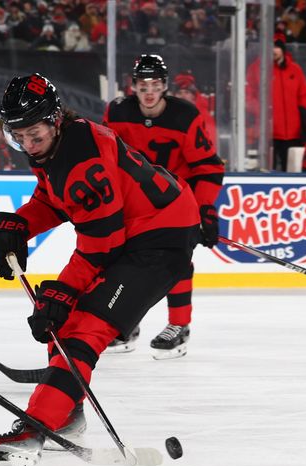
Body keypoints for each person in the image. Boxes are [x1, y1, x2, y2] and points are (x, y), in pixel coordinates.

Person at [0, 73, 199, 466]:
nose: (28, 147)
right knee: (66, 321)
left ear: (54, 120)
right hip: (137, 233)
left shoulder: (82, 157)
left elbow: (102, 244)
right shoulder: (61, 143)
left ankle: (34, 431)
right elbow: (54, 199)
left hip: (160, 240)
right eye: (19, 138)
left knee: (84, 327)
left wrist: (62, 292)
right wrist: (17, 225)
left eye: (34, 135)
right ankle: (64, 415)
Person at [102, 55, 223, 359]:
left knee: (175, 263)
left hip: (176, 205)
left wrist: (205, 209)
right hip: (133, 204)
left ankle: (179, 327)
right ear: (134, 87)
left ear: (165, 86)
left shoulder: (185, 116)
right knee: (122, 263)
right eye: (143, 85)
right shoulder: (117, 112)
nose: (150, 92)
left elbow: (207, 167)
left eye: (155, 85)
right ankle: (127, 325)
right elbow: (104, 156)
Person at [247, 38, 306, 172]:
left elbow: (304, 95)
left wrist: (304, 120)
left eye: (277, 47)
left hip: (293, 133)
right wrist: (260, 111)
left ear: (282, 50)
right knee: (267, 170)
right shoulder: (258, 68)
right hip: (269, 133)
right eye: (271, 47)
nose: (274, 51)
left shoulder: (295, 69)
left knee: (292, 170)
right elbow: (248, 95)